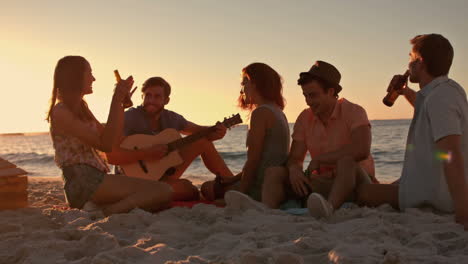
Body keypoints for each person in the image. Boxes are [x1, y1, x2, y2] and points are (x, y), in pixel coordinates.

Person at [357, 34, 468, 230]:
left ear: (420, 62)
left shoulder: (439, 98)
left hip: (437, 196)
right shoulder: (448, 91)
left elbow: (451, 154)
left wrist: (463, 213)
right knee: (374, 182)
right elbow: (425, 107)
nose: (408, 65)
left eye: (410, 58)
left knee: (364, 192)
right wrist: (404, 91)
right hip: (433, 185)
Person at [47, 56, 173, 216]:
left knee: (162, 191)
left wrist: (121, 104)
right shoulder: (61, 112)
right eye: (90, 73)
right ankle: (106, 213)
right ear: (76, 76)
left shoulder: (82, 108)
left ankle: (96, 207)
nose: (93, 78)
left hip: (96, 179)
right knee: (163, 191)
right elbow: (105, 145)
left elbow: (113, 138)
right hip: (82, 182)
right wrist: (115, 99)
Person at [262, 60, 376, 218]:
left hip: (355, 182)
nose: (308, 101)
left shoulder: (354, 111)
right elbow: (295, 158)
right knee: (274, 172)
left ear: (330, 92)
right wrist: (294, 170)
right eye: (305, 95)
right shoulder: (304, 117)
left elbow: (361, 150)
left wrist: (322, 159)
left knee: (346, 161)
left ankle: (328, 209)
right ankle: (266, 213)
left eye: (313, 95)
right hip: (322, 182)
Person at [106, 76, 235, 201]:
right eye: (148, 95)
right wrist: (146, 153)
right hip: (131, 180)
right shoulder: (129, 117)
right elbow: (112, 157)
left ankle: (234, 184)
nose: (151, 100)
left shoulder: (171, 118)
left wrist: (218, 131)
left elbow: (201, 131)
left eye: (157, 96)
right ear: (142, 97)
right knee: (190, 191)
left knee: (203, 143)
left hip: (161, 175)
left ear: (166, 100)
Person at [202, 62, 290, 202]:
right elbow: (265, 160)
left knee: (207, 188)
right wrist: (232, 179)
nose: (242, 90)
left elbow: (253, 161)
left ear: (255, 84)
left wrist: (241, 194)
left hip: (260, 187)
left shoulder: (260, 113)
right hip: (275, 184)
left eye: (244, 83)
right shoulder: (278, 112)